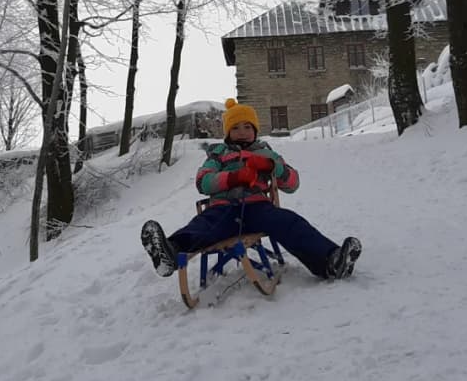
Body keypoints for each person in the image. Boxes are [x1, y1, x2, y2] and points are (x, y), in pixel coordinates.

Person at [140, 98, 361, 280]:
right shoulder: (218, 154)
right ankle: (170, 252)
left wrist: (274, 167)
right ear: (227, 132)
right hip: (224, 209)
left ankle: (330, 260)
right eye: (235, 128)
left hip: (258, 208)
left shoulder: (266, 154)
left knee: (290, 223)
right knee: (202, 226)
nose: (242, 132)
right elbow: (203, 182)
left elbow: (293, 184)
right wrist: (233, 177)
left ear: (255, 130)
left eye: (247, 127)